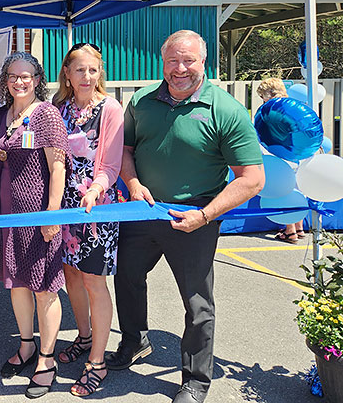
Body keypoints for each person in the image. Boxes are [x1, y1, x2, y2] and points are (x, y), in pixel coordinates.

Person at [110, 30, 264, 403]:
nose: (179, 69)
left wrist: (205, 215)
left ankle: (195, 379)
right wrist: (131, 183)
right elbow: (125, 151)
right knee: (127, 278)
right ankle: (134, 340)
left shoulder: (225, 110)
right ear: (162, 62)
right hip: (143, 210)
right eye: (172, 61)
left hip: (195, 216)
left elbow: (253, 179)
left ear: (203, 62)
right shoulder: (142, 101)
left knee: (197, 303)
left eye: (188, 60)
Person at [0, 51, 68, 399]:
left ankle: (47, 360)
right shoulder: (0, 116)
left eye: (27, 76)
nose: (20, 81)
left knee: (44, 287)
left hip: (37, 217)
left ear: (37, 80)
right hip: (7, 214)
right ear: (5, 80)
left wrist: (52, 213)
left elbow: (58, 167)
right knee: (17, 283)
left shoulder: (47, 115)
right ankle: (27, 345)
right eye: (13, 76)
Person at [51, 43, 123, 397]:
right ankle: (85, 335)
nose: (87, 76)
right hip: (64, 207)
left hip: (97, 209)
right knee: (71, 276)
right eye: (79, 70)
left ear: (100, 72)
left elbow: (110, 163)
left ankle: (98, 362)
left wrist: (94, 190)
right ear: (67, 73)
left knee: (95, 282)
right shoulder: (57, 108)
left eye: (93, 69)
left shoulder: (110, 109)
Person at [256, 77, 305, 242]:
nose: (262, 99)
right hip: (296, 152)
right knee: (297, 188)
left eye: (262, 95)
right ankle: (299, 227)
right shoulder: (293, 106)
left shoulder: (270, 110)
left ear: (269, 93)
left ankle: (290, 230)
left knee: (283, 190)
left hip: (279, 152)